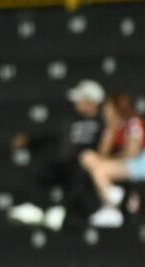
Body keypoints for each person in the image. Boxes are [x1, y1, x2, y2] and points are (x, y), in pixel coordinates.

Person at [8, 79, 105, 231]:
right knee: (37, 168)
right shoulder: (69, 118)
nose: (77, 103)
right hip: (59, 162)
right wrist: (29, 141)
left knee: (80, 175)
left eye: (81, 100)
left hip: (81, 167)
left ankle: (64, 211)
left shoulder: (102, 123)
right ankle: (37, 208)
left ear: (91, 102)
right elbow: (51, 135)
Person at [80, 92, 145, 228]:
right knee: (87, 157)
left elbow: (132, 153)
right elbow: (102, 153)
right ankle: (111, 194)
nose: (105, 111)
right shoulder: (115, 126)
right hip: (126, 161)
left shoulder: (134, 122)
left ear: (117, 108)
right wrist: (109, 130)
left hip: (142, 163)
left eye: (108, 108)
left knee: (99, 171)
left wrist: (109, 161)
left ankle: (111, 207)